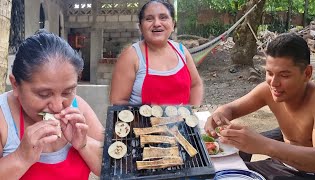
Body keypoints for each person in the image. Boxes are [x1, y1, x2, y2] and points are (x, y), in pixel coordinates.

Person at [205, 33, 315, 179]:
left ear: (307, 73)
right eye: (269, 73)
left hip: (311, 174)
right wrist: (219, 115)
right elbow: (231, 109)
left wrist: (264, 145)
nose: (274, 83)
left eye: (284, 75)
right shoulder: (268, 90)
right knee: (217, 173)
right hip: (281, 165)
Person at [0, 30, 105, 179]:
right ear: (16, 85)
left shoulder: (79, 107)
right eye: (44, 94)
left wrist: (84, 144)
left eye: (67, 92)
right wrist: (20, 157)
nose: (57, 106)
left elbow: (113, 168)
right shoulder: (3, 117)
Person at [110, 0, 203, 105]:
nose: (157, 24)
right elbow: (118, 101)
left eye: (163, 17)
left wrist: (192, 113)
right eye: (149, 19)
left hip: (182, 121)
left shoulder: (182, 51)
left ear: (173, 24)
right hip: (142, 121)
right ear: (140, 27)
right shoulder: (131, 56)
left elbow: (196, 85)